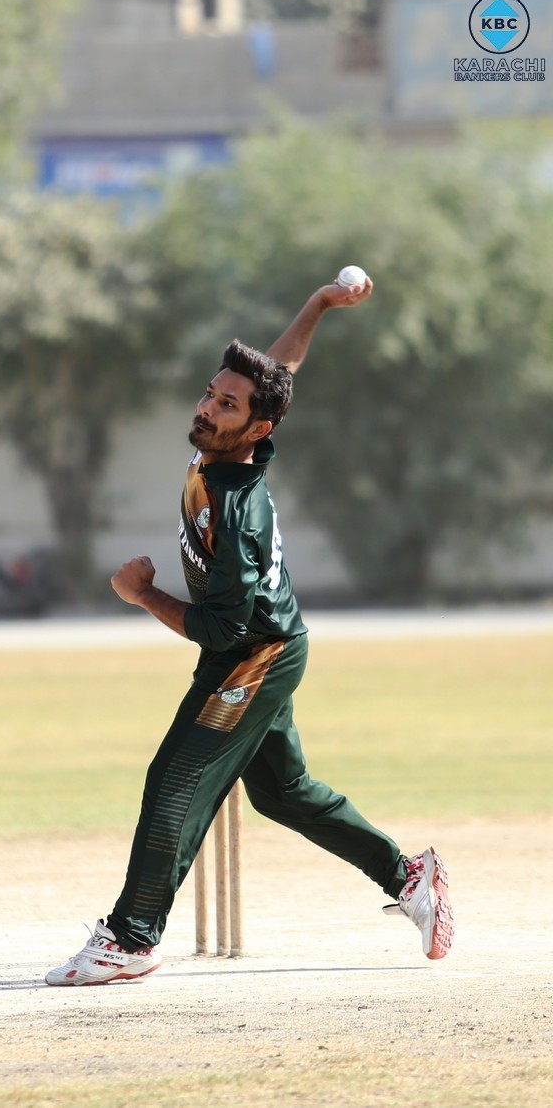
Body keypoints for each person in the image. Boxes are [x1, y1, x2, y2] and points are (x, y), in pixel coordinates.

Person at [46, 273, 455, 986]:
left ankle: (131, 939)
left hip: (253, 654)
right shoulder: (230, 442)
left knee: (175, 781)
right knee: (281, 792)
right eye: (210, 393)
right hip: (263, 645)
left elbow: (219, 628)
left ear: (256, 429)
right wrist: (319, 305)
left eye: (226, 405)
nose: (208, 408)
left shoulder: (237, 513)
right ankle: (408, 876)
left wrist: (143, 595)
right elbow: (278, 369)